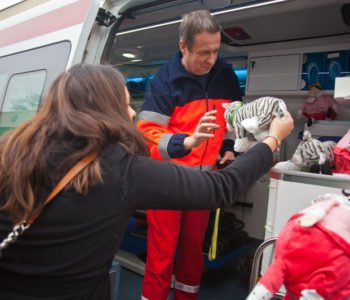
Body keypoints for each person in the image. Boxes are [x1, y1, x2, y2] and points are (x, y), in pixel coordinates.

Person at [0, 63, 293, 300]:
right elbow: (219, 189)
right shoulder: (121, 169)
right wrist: (271, 140)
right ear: (104, 109)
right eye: (125, 104)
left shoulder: (9, 152)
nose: (131, 113)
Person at [137, 10, 242, 300]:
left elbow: (231, 121)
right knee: (162, 253)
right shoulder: (164, 82)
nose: (211, 59)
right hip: (166, 184)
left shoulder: (225, 75)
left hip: (203, 185)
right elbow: (147, 133)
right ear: (183, 46)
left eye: (216, 50)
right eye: (204, 52)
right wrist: (187, 141)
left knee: (193, 250)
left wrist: (229, 150)